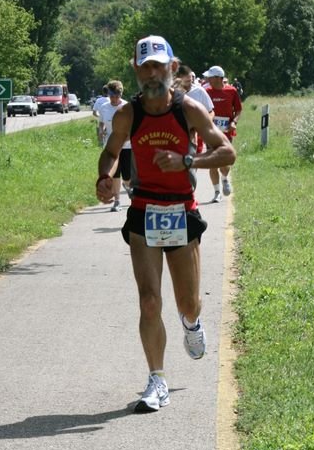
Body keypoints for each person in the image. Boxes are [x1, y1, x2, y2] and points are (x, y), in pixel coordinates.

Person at [95, 35, 236, 413]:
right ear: (136, 70)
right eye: (146, 67)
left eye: (159, 66)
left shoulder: (187, 110)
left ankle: (191, 324)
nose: (153, 73)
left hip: (180, 210)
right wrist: (104, 179)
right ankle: (157, 379)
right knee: (149, 300)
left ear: (173, 68)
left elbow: (227, 151)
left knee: (188, 303)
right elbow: (110, 153)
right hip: (143, 210)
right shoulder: (128, 114)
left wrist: (187, 162)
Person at [202, 65, 242, 202]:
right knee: (212, 162)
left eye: (210, 77)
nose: (208, 79)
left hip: (226, 132)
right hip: (211, 132)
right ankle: (217, 192)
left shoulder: (231, 91)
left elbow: (238, 110)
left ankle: (225, 178)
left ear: (219, 78)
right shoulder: (206, 92)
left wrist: (234, 122)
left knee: (224, 162)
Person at [97, 80, 132, 211]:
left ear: (121, 94)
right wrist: (101, 131)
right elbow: (101, 122)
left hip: (127, 145)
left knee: (128, 175)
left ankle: (128, 186)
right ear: (108, 95)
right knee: (115, 174)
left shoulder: (127, 107)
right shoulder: (104, 107)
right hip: (111, 146)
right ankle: (117, 202)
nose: (114, 99)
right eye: (112, 96)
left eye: (117, 96)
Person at [175, 64, 214, 153]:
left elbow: (211, 112)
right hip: (175, 135)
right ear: (178, 78)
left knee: (192, 161)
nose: (189, 84)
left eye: (190, 80)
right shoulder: (171, 93)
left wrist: (205, 124)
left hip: (195, 134)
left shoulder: (199, 91)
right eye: (186, 81)